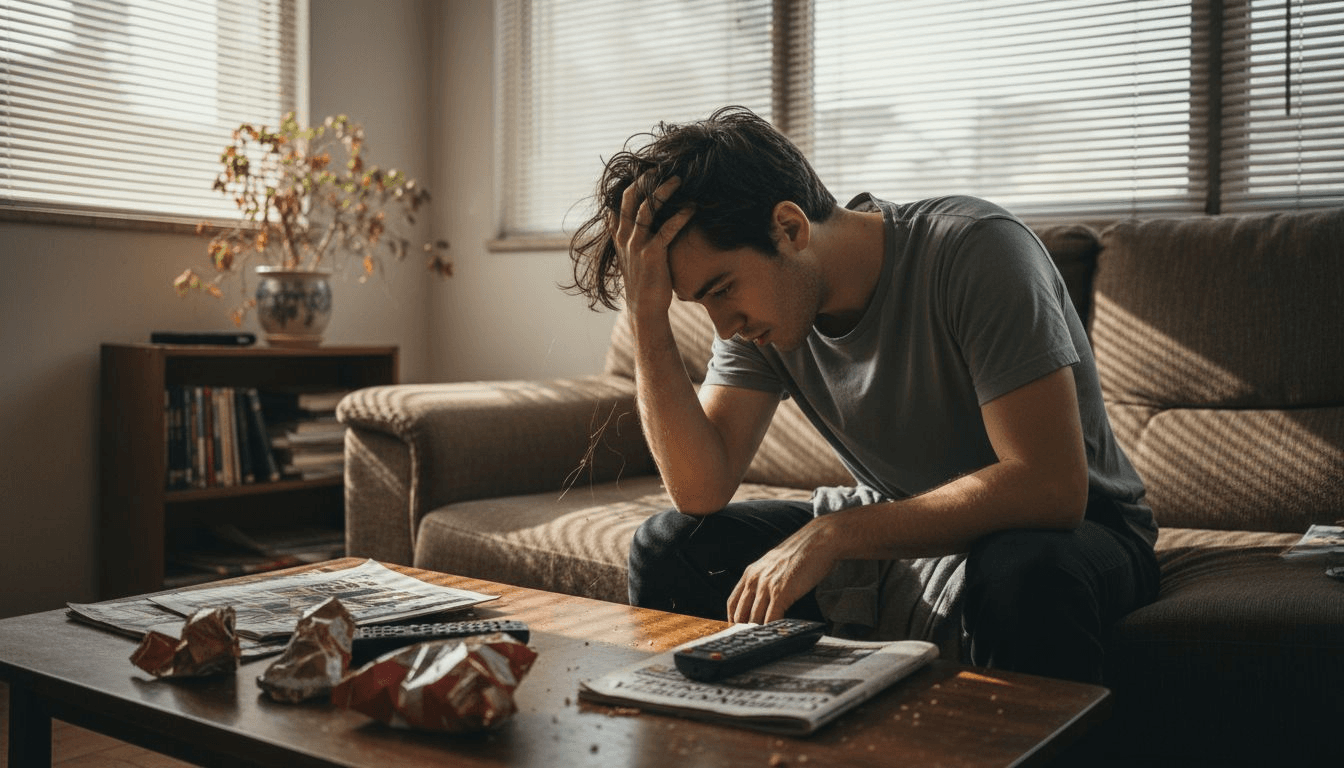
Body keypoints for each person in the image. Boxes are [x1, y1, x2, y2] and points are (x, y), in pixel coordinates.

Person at [564, 106, 1159, 684]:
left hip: (1079, 534)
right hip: (907, 530)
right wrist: (647, 316)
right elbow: (700, 489)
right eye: (703, 302)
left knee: (1024, 573)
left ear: (790, 228)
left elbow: (1050, 488)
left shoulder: (976, 250)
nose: (723, 326)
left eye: (721, 289)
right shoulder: (766, 317)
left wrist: (836, 533)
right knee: (673, 546)